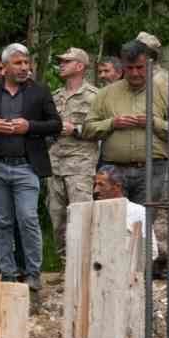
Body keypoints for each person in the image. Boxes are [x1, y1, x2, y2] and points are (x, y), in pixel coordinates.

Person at [84, 40, 169, 273]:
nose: (135, 73)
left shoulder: (162, 91)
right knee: (110, 219)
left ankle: (140, 274)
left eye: (140, 68)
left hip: (152, 168)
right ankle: (109, 270)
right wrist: (112, 122)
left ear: (149, 65)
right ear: (122, 68)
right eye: (130, 68)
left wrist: (153, 122)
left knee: (143, 222)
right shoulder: (106, 94)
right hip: (112, 170)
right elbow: (88, 128)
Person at [0, 43, 61, 293]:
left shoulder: (39, 92)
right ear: (4, 67)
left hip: (27, 167)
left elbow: (55, 125)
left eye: (27, 63)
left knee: (28, 219)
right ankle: (7, 273)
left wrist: (30, 126)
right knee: (2, 221)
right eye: (18, 63)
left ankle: (33, 273)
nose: (24, 67)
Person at [47, 47, 101, 247]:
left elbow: (103, 128)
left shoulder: (95, 96)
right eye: (61, 61)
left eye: (66, 61)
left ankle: (83, 267)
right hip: (55, 164)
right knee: (57, 217)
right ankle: (64, 267)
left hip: (80, 167)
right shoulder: (55, 96)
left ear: (80, 66)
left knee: (82, 217)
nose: (61, 65)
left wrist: (76, 129)